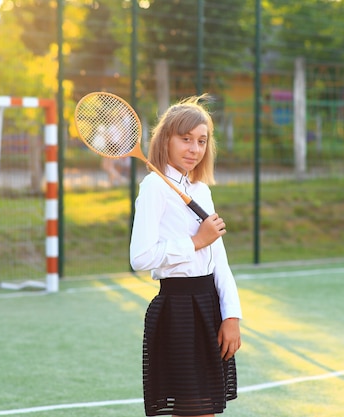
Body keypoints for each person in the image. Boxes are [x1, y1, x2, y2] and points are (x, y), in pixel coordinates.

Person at [130, 94, 242, 417]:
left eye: (202, 141)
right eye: (186, 139)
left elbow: (219, 259)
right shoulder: (153, 187)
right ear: (166, 140)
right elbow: (141, 257)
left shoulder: (201, 190)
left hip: (209, 307)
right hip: (178, 310)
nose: (194, 149)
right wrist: (194, 242)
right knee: (196, 412)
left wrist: (231, 315)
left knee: (202, 409)